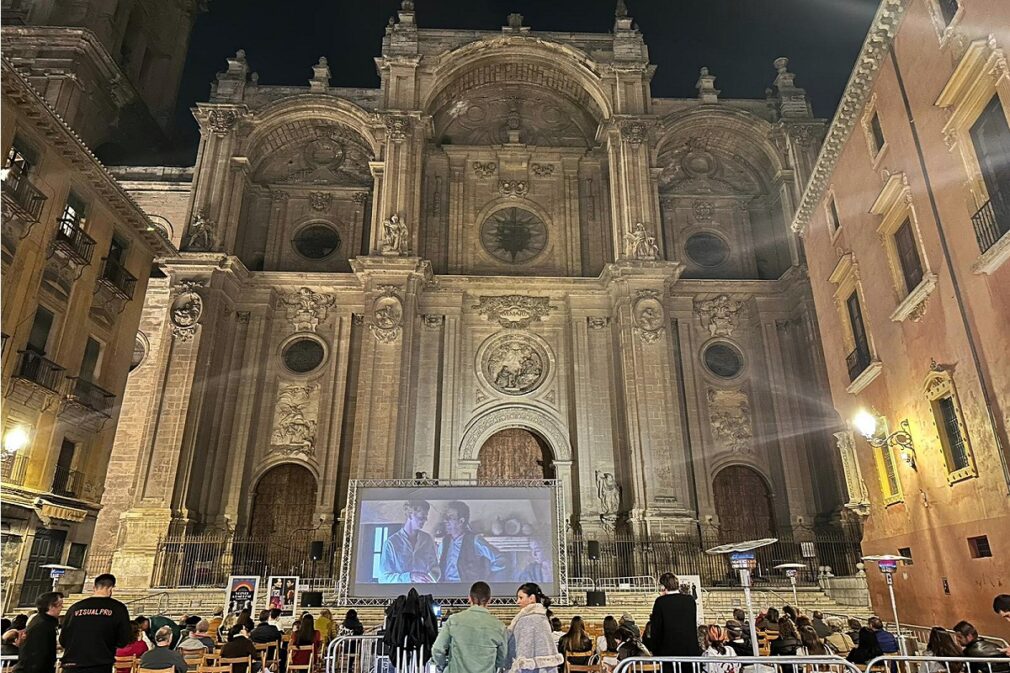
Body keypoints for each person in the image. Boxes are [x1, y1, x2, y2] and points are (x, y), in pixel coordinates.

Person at [60, 573, 132, 673]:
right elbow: (123, 640)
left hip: (71, 664)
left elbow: (63, 639)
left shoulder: (75, 608)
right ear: (111, 588)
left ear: (94, 587)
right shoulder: (118, 608)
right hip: (99, 664)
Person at [430, 581, 508, 673]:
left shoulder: (453, 620)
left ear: (469, 598)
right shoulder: (499, 626)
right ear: (489, 600)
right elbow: (502, 659)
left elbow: (437, 649)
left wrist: (443, 667)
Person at [438, 501, 505, 583]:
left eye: (450, 517)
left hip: (465, 590)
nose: (445, 520)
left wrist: (489, 582)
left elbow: (500, 559)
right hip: (444, 589)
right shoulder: (445, 541)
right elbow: (438, 565)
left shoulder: (475, 540)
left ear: (461, 521)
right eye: (446, 517)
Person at [507, 583, 564, 673]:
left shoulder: (525, 620)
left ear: (531, 598)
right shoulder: (543, 618)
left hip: (529, 669)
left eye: (521, 598)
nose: (517, 601)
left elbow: (522, 651)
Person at [379, 500, 440, 583]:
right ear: (410, 515)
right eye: (422, 517)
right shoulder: (391, 543)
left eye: (426, 517)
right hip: (400, 594)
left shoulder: (427, 539)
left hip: (424, 592)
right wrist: (410, 576)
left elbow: (435, 568)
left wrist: (431, 579)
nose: (425, 520)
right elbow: (384, 579)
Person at [645, 572, 701, 658]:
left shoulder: (661, 602)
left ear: (663, 586)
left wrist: (655, 650)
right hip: (690, 651)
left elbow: (656, 629)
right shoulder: (690, 600)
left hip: (668, 651)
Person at [13, 592, 62, 673]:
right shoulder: (42, 624)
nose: (62, 607)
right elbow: (36, 654)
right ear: (51, 606)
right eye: (60, 605)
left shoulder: (44, 621)